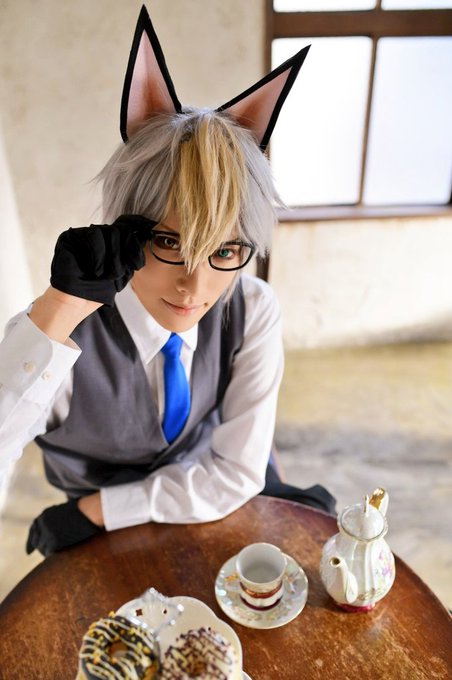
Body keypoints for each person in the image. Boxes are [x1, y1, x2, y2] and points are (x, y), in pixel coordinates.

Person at [0, 6, 335, 557]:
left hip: (179, 507)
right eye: (169, 242)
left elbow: (237, 473)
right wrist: (57, 309)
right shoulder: (64, 335)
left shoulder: (250, 306)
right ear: (124, 225)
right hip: (108, 541)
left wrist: (99, 509)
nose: (194, 286)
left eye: (224, 249)